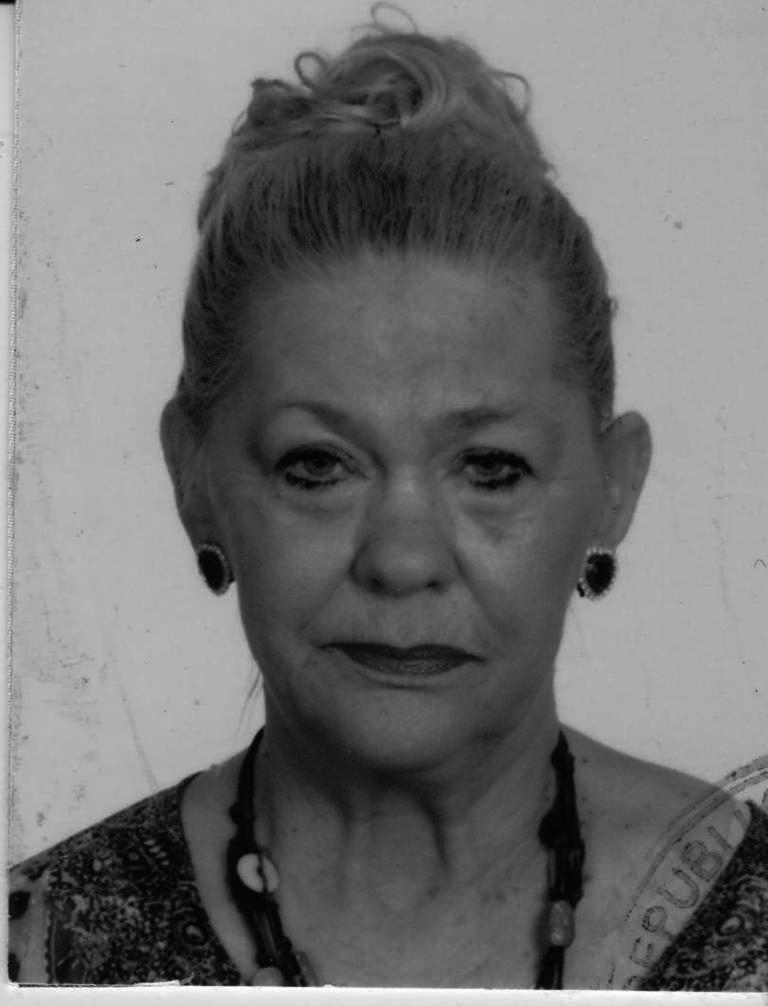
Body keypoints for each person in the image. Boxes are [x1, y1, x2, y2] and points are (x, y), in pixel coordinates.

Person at [9, 10, 768, 990]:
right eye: (317, 466)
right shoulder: (38, 954)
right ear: (194, 478)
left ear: (614, 486)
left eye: (489, 468)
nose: (403, 560)